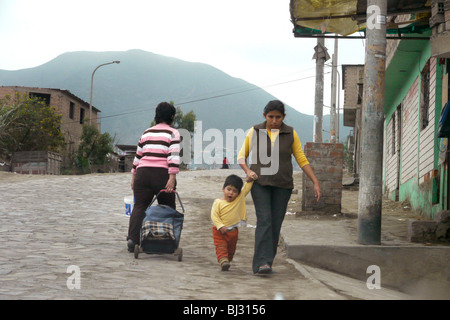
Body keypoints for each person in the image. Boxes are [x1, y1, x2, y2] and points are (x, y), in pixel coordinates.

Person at [238, 100, 321, 274]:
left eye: (278, 117)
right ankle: (261, 262)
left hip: (283, 186)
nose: (274, 120)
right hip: (260, 184)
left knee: (275, 224)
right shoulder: (255, 131)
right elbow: (241, 156)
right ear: (264, 116)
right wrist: (247, 171)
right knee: (265, 221)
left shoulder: (290, 133)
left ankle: (268, 261)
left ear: (283, 116)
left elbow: (301, 159)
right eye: (271, 117)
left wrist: (315, 181)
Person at [126, 102, 181, 252]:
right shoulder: (173, 133)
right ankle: (166, 238)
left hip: (142, 174)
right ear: (171, 117)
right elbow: (173, 157)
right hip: (161, 175)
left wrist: (133, 177)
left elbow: (137, 157)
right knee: (168, 207)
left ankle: (133, 240)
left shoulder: (146, 133)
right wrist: (172, 178)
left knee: (139, 207)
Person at [211, 173, 257, 271]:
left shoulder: (239, 199)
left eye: (235, 191)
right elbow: (214, 216)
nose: (231, 193)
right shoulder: (218, 202)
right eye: (229, 189)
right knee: (221, 247)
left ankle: (227, 260)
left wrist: (251, 178)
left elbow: (246, 188)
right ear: (223, 188)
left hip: (233, 232)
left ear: (239, 193)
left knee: (231, 250)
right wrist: (219, 225)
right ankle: (223, 261)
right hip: (219, 231)